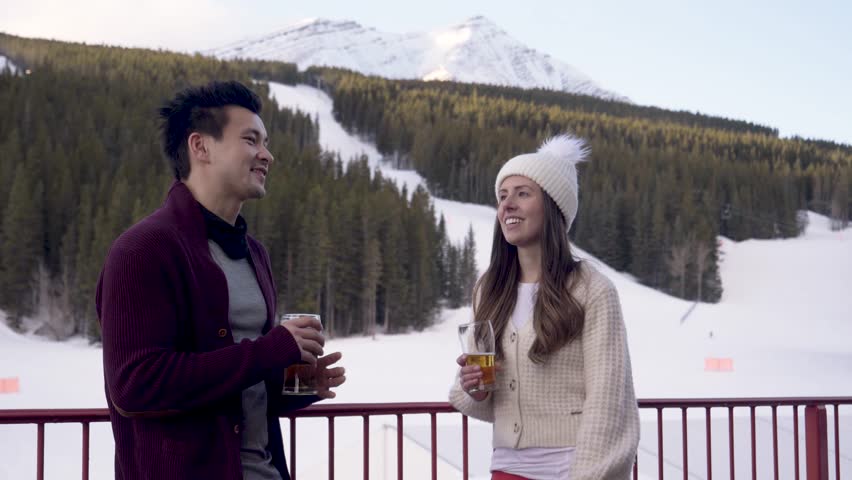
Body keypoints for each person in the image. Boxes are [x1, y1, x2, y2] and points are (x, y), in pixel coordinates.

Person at [96, 80, 346, 480]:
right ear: (201, 147)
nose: (267, 155)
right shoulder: (142, 250)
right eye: (251, 140)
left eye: (265, 142)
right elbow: (135, 386)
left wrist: (293, 387)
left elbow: (237, 390)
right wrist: (270, 351)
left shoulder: (254, 253)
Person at [449, 134, 639, 479]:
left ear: (553, 207)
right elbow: (484, 394)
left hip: (574, 466)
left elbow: (608, 397)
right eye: (502, 196)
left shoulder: (592, 289)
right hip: (508, 465)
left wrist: (588, 473)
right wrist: (473, 386)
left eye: (523, 194)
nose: (507, 205)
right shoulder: (488, 289)